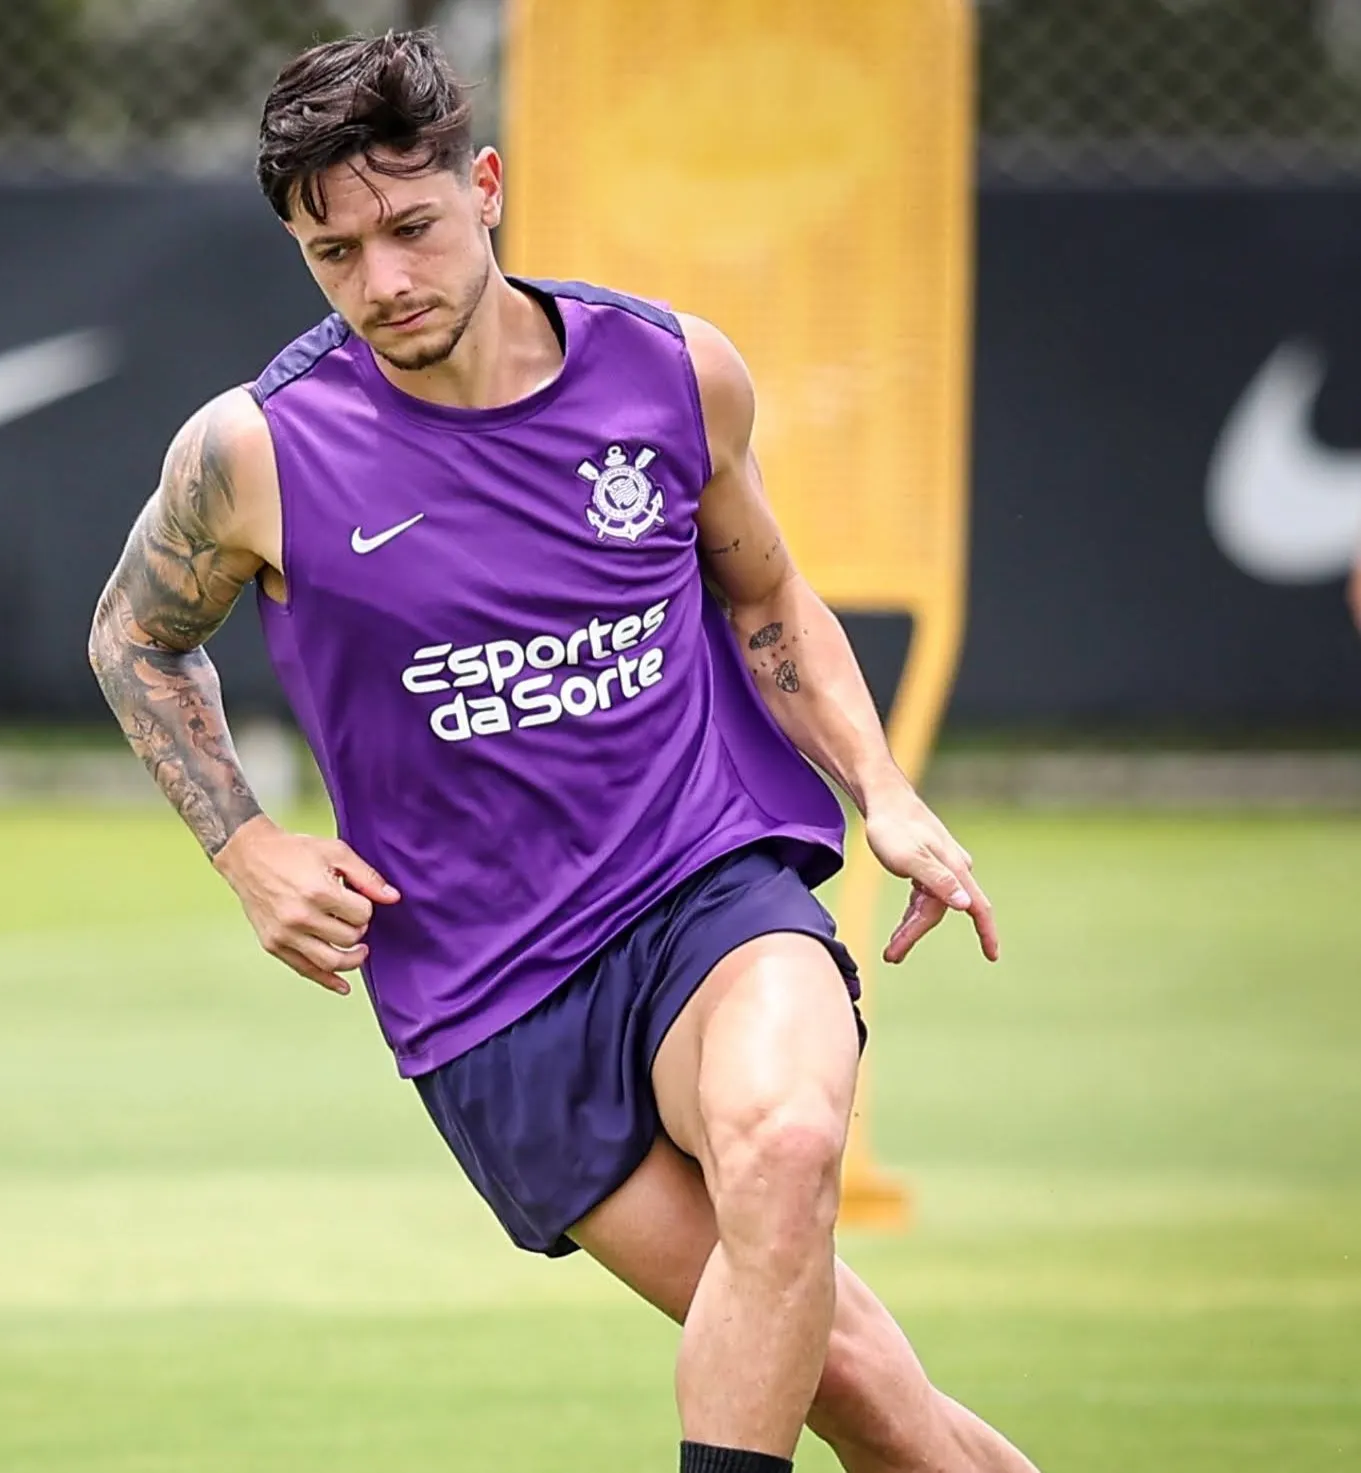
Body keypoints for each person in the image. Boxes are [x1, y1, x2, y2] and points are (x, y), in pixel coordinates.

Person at [88, 30, 1037, 1473]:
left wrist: (884, 794)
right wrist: (248, 848)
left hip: (703, 885)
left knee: (784, 1148)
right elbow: (132, 639)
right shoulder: (257, 453)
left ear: (486, 186)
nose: (384, 282)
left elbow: (768, 595)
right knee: (870, 1399)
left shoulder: (669, 373)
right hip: (489, 998)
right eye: (332, 253)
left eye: (410, 227)